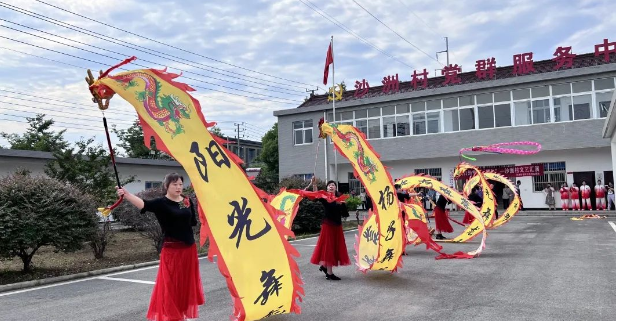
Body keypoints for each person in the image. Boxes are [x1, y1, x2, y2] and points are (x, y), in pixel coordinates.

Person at [116, 173, 204, 321]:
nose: (178, 187)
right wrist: (127, 195)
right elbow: (144, 204)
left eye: (180, 184)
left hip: (189, 249)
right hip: (172, 250)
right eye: (174, 184)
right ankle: (172, 317)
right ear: (166, 186)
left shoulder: (187, 201)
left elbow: (193, 222)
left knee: (185, 285)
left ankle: (181, 313)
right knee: (170, 287)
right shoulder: (161, 203)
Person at [308, 177, 350, 281]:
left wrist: (342, 205)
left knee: (334, 247)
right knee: (329, 248)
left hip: (337, 226)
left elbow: (345, 214)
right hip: (328, 225)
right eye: (329, 185)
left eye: (333, 185)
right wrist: (314, 184)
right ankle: (329, 274)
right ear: (327, 188)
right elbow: (316, 195)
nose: (331, 186)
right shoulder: (325, 197)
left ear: (336, 188)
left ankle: (324, 266)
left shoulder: (340, 198)